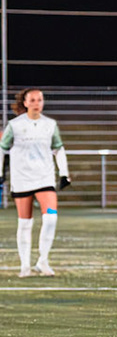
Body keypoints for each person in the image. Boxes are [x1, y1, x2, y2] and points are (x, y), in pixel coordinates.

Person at [1, 89, 70, 277]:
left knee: (51, 217)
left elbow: (58, 149)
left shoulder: (50, 125)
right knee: (25, 222)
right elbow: (2, 148)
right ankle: (25, 266)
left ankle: (43, 261)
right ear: (25, 103)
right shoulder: (15, 125)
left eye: (39, 100)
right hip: (22, 179)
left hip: (44, 178)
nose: (36, 103)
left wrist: (64, 173)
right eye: (32, 100)